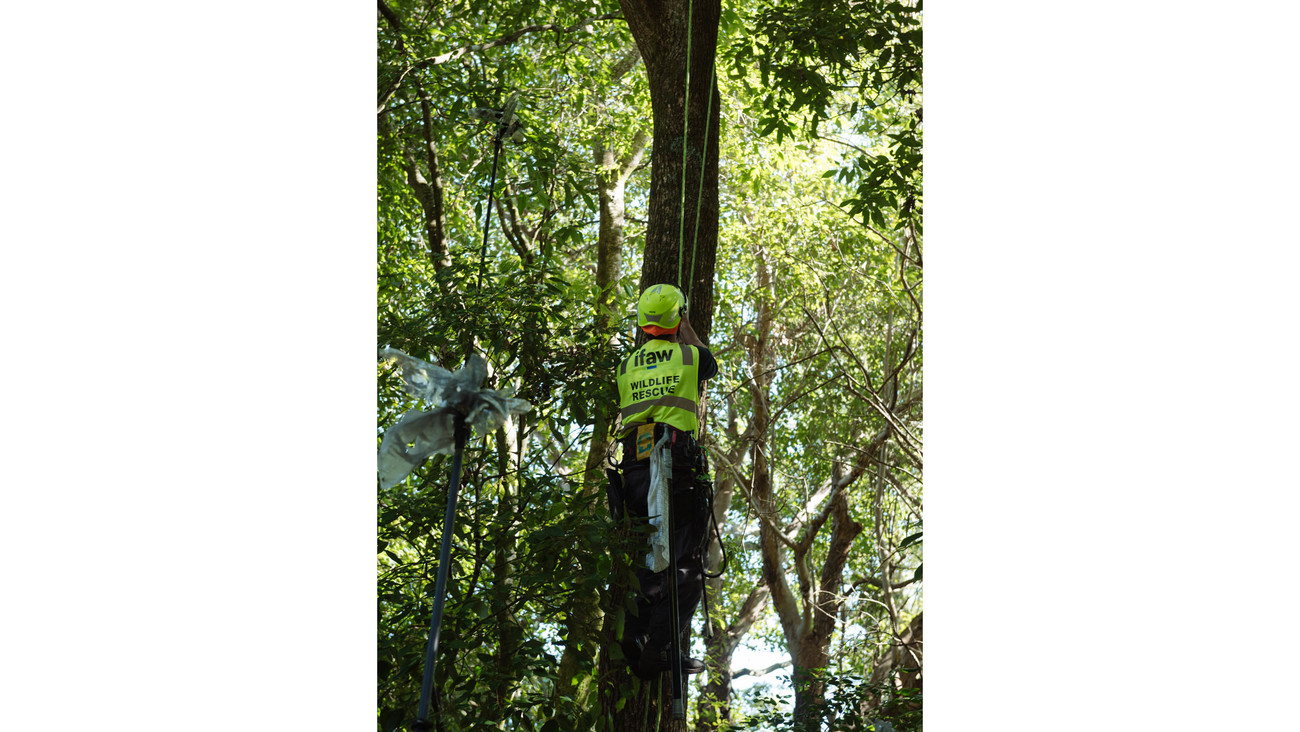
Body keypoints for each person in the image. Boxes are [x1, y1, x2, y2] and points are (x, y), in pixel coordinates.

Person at [613, 283, 718, 680]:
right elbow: (709, 363)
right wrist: (687, 324)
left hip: (636, 473)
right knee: (686, 564)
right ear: (678, 318)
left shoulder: (625, 367)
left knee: (650, 558)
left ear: (642, 324)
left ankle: (636, 634)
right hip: (676, 470)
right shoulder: (689, 357)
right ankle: (657, 648)